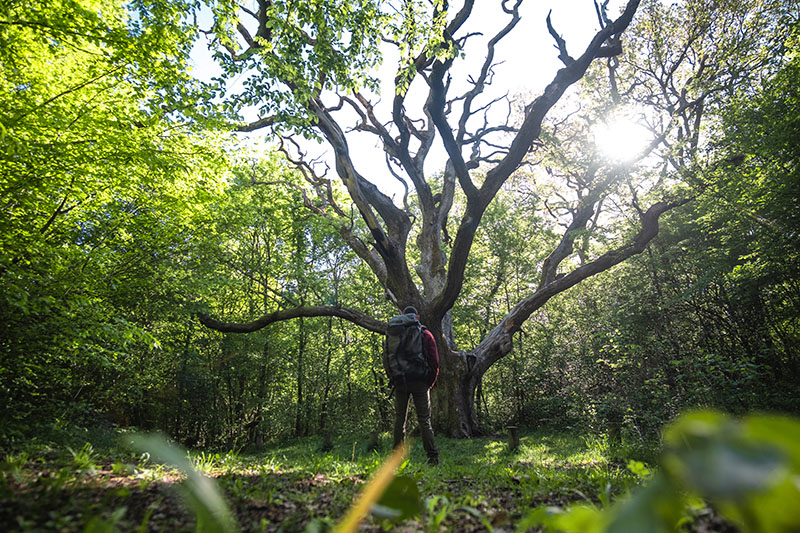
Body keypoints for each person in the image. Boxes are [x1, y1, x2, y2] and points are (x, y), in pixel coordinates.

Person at [385, 306, 440, 465]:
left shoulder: (393, 333)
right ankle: (432, 457)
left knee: (400, 419)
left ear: (403, 316)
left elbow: (387, 358)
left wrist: (393, 377)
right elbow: (434, 361)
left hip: (400, 381)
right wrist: (430, 382)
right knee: (424, 420)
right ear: (417, 317)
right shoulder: (425, 334)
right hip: (420, 382)